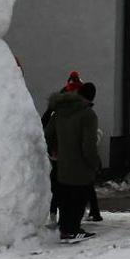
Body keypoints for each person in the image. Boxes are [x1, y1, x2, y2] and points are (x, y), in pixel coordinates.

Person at [45, 81, 103, 242]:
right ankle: (73, 230)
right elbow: (88, 146)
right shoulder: (88, 115)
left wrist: (54, 149)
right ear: (91, 98)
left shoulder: (59, 112)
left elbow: (48, 134)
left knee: (65, 197)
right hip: (81, 167)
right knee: (79, 199)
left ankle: (65, 229)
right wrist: (95, 163)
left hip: (63, 164)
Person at [41, 71, 83, 225]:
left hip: (57, 151)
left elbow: (45, 123)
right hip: (63, 151)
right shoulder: (66, 108)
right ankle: (63, 218)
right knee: (65, 184)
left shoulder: (57, 105)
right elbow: (47, 125)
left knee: (59, 183)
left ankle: (57, 215)